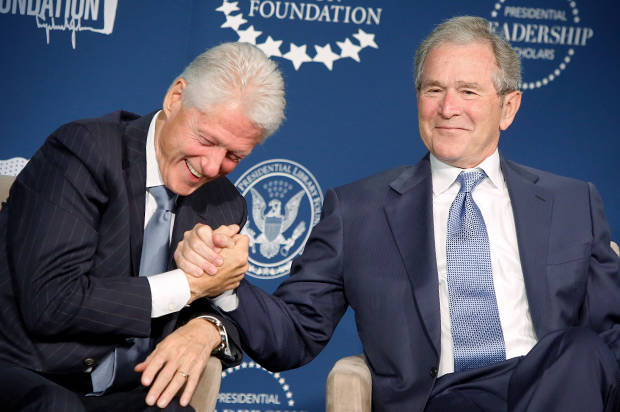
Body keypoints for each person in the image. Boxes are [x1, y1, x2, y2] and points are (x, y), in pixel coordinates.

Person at [176, 16, 620, 411]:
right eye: (434, 90)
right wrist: (226, 281)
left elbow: (610, 337)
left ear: (508, 107)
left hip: (555, 383)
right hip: (447, 396)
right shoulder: (358, 211)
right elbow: (294, 335)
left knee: (583, 351)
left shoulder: (572, 201)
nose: (448, 108)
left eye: (468, 91)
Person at [0, 42, 285, 411]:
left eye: (234, 155)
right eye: (206, 140)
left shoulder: (224, 202)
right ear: (175, 97)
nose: (213, 167)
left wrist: (208, 324)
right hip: (31, 375)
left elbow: (234, 316)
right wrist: (189, 284)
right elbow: (52, 303)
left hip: (130, 392)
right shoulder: (83, 152)